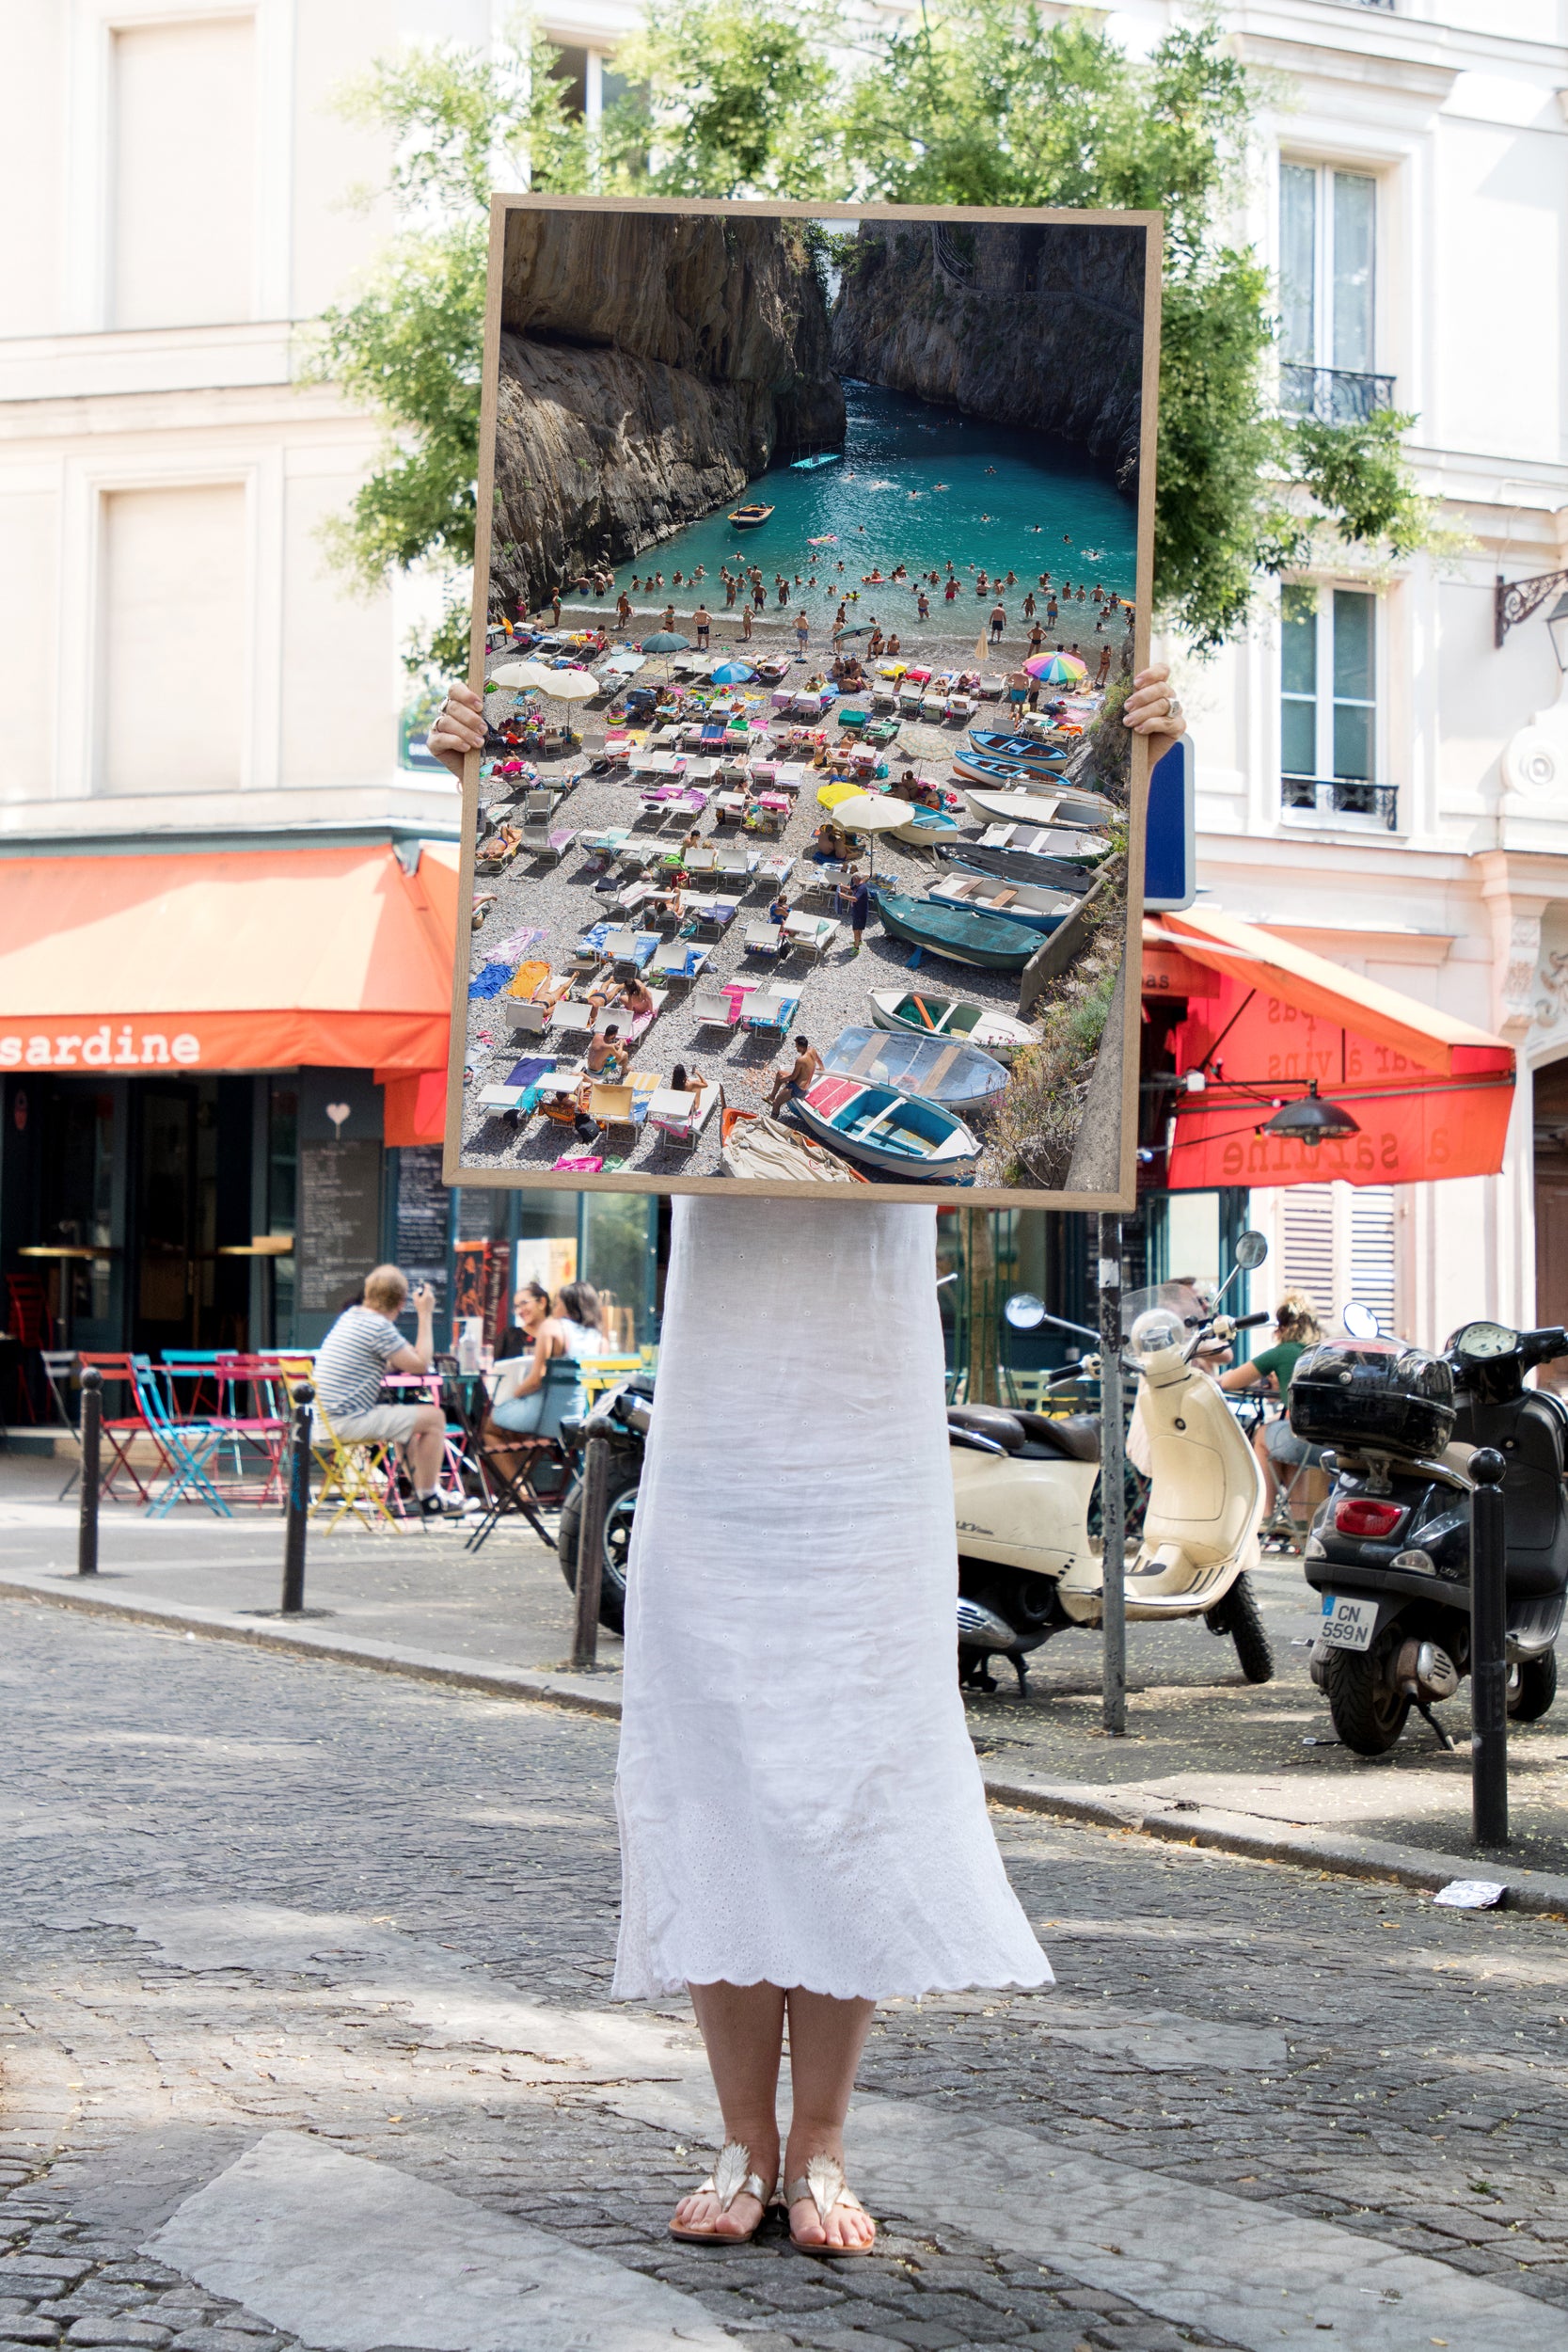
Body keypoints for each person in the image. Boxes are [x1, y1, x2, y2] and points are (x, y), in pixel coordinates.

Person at [425, 660, 1188, 2255]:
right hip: (719, 1417)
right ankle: (737, 2140)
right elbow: (503, 944)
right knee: (715, 1761)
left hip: (864, 1418)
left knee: (849, 1753)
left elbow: (1134, 956)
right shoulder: (711, 1062)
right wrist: (468, 785)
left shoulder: (932, 1053)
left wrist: (1152, 772)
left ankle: (822, 2148)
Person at [312, 1264, 451, 1516]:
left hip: (322, 1423)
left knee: (404, 1425)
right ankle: (430, 1498)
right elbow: (421, 1364)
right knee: (435, 1418)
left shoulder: (352, 1316)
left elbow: (373, 1360)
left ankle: (421, 1495)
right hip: (344, 1423)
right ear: (400, 1302)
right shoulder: (378, 1326)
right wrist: (425, 1314)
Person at [1219, 1292, 1326, 1517]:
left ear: (1284, 1327)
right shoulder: (1319, 1353)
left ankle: (1264, 1515)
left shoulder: (1284, 1352)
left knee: (1262, 1436)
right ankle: (1298, 1522)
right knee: (1287, 1451)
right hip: (1324, 1445)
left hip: (1300, 1439)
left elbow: (1229, 1382)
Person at [486, 1279, 606, 1449]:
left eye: (557, 1303)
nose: (554, 1309)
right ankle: (525, 1473)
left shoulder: (552, 1327)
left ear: (569, 1306)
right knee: (525, 1436)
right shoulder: (598, 1338)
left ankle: (520, 1477)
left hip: (543, 1418)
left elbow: (537, 1379)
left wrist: (514, 1394)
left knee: (491, 1427)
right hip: (576, 1418)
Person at [767, 1034, 822, 1112]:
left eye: (796, 1046)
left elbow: (793, 1077)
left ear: (801, 1047)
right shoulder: (812, 1050)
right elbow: (819, 1061)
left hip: (798, 1089)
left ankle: (771, 1122)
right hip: (804, 1084)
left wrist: (783, 1079)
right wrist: (822, 1069)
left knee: (776, 1104)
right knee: (780, 1073)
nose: (796, 1048)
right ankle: (771, 1097)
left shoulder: (800, 1060)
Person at [847, 868, 871, 955]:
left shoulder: (862, 888)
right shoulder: (857, 885)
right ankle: (859, 941)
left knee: (856, 930)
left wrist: (844, 896)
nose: (852, 881)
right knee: (859, 928)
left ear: (857, 879)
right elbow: (850, 888)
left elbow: (855, 899)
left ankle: (856, 948)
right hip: (857, 911)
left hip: (860, 913)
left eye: (853, 879)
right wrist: (842, 886)